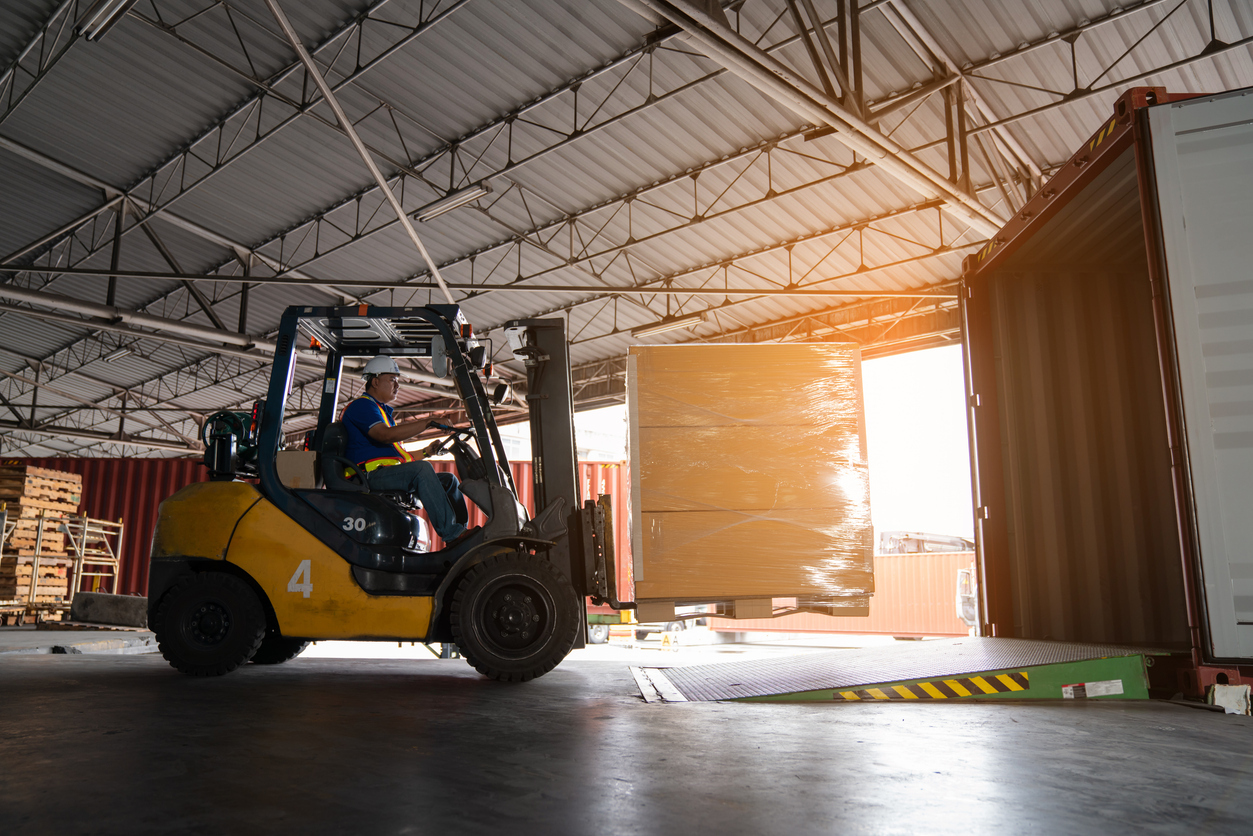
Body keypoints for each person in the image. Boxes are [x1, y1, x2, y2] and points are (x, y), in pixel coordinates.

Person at [340, 355, 471, 546]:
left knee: (449, 481)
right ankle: (452, 534)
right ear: (375, 381)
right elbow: (385, 435)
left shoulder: (381, 412)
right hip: (367, 476)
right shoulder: (362, 406)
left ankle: (462, 533)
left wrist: (427, 451)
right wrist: (428, 422)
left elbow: (399, 457)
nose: (397, 385)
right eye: (392, 380)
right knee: (421, 469)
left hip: (384, 472)